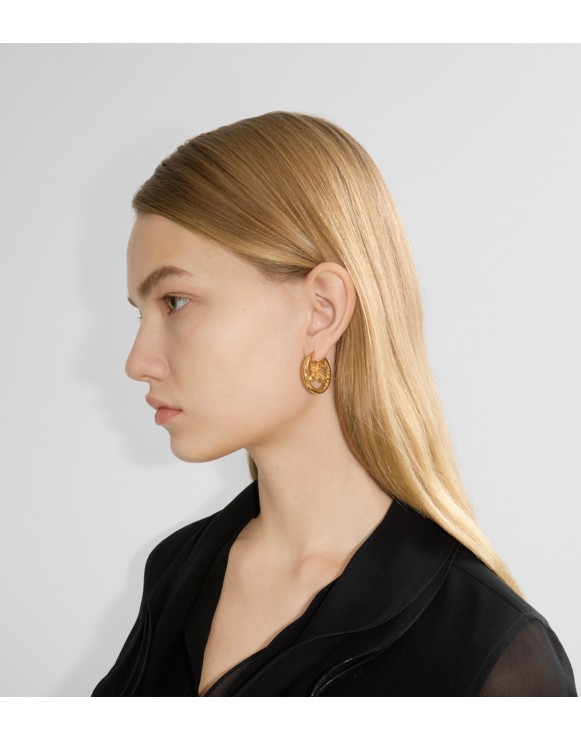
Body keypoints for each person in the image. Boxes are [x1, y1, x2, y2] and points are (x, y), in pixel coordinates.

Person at [91, 111, 576, 697]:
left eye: (174, 301)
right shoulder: (177, 570)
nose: (137, 361)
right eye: (139, 313)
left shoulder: (489, 653)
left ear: (322, 310)